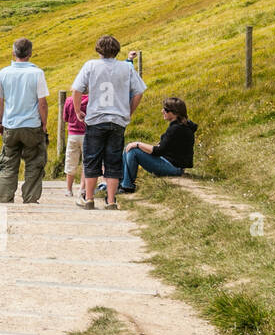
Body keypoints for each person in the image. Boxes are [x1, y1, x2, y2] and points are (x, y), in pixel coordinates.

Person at [71, 35, 146, 210]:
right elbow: (139, 91)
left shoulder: (90, 65)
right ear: (117, 50)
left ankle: (88, 198)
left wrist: (77, 110)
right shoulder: (125, 68)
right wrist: (129, 110)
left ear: (98, 50)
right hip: (118, 119)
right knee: (113, 160)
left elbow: (76, 89)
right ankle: (111, 200)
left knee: (91, 158)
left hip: (96, 118)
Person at [0, 37, 49, 204]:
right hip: (32, 125)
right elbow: (42, 103)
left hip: (10, 125)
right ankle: (30, 197)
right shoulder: (37, 73)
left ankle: (4, 197)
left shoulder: (3, 73)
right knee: (34, 162)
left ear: (13, 53)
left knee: (9, 163)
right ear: (30, 53)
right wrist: (44, 124)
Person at [120, 97, 195, 192]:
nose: (162, 111)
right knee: (129, 147)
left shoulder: (176, 129)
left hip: (173, 168)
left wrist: (138, 144)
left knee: (133, 150)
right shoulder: (181, 126)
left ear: (175, 113)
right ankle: (123, 183)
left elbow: (158, 151)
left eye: (166, 109)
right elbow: (164, 147)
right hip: (174, 165)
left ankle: (127, 186)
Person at [62, 93, 89, 197]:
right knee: (86, 162)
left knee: (70, 162)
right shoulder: (90, 100)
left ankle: (68, 189)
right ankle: (82, 189)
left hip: (73, 135)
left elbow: (65, 118)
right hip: (86, 135)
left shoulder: (69, 100)